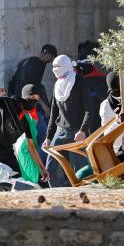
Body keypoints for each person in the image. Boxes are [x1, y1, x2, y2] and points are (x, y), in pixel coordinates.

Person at [43, 55, 94, 187]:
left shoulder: (79, 81)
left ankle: (83, 197)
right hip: (60, 131)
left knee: (81, 170)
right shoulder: (57, 85)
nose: (55, 69)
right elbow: (54, 113)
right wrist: (49, 137)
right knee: (50, 167)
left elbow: (89, 109)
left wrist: (83, 131)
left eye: (58, 66)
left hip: (77, 133)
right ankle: (55, 195)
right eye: (53, 67)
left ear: (66, 67)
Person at [0, 85, 42, 173]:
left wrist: (41, 169)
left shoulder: (27, 120)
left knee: (16, 179)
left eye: (37, 98)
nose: (34, 100)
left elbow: (31, 146)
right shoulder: (9, 103)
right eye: (32, 97)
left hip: (8, 150)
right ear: (25, 96)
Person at [100, 71, 124, 149]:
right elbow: (107, 134)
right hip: (119, 149)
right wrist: (118, 122)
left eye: (119, 90)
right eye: (114, 91)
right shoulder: (106, 105)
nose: (117, 93)